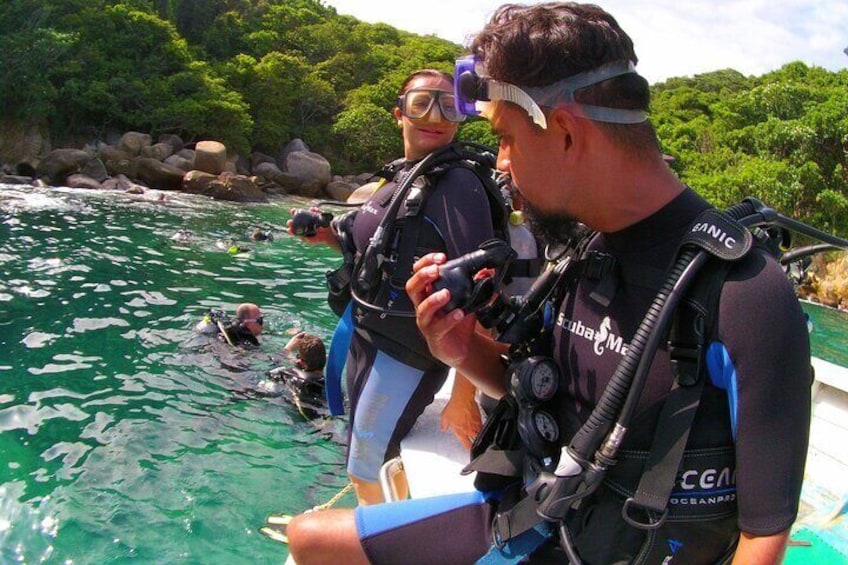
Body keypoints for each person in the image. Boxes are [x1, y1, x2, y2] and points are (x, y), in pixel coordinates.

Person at [286, 3, 812, 564]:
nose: (502, 164)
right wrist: (462, 351)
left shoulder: (747, 295)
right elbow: (524, 387)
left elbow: (763, 539)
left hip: (612, 549)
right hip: (532, 519)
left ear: (563, 132)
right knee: (309, 541)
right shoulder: (585, 250)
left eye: (506, 138)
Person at [287, 69, 496, 505]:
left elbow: (481, 289)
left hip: (407, 352)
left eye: (450, 105)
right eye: (422, 103)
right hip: (366, 338)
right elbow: (377, 251)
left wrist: (463, 394)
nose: (435, 116)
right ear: (398, 112)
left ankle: (382, 542)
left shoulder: (457, 184)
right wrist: (326, 237)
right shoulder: (398, 178)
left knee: (367, 462)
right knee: (361, 449)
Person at [258, 332, 327, 419]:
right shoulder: (330, 381)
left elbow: (271, 369)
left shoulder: (291, 375)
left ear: (301, 362)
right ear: (325, 358)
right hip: (322, 416)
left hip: (298, 418)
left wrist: (287, 348)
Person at [195, 302, 264, 347]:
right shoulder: (244, 338)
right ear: (247, 322)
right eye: (260, 320)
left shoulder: (228, 329)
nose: (262, 324)